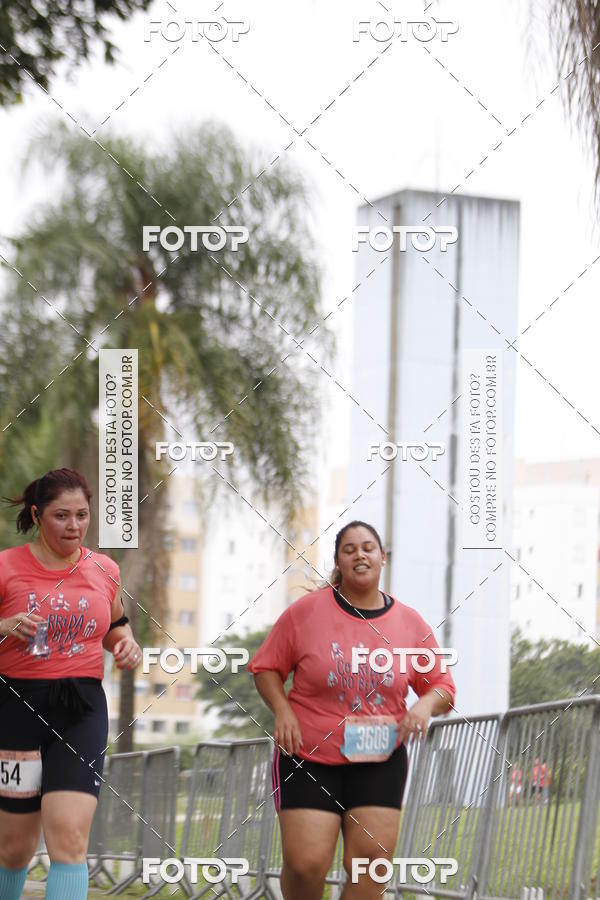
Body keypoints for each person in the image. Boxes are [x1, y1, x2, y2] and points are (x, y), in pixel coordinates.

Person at [248, 520, 456, 900]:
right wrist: (282, 710)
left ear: (382, 558)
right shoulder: (306, 613)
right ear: (339, 563)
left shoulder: (410, 624)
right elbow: (266, 668)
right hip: (308, 755)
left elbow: (443, 687)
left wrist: (424, 704)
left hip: (379, 756)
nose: (360, 554)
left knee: (372, 863)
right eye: (349, 549)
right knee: (306, 864)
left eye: (368, 547)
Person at [0, 468, 142, 900]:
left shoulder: (104, 568)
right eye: (62, 516)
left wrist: (126, 644)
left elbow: (117, 625)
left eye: (82, 515)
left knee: (70, 840)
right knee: (14, 848)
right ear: (38, 514)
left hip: (81, 710)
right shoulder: (6, 567)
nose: (74, 526)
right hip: (16, 710)